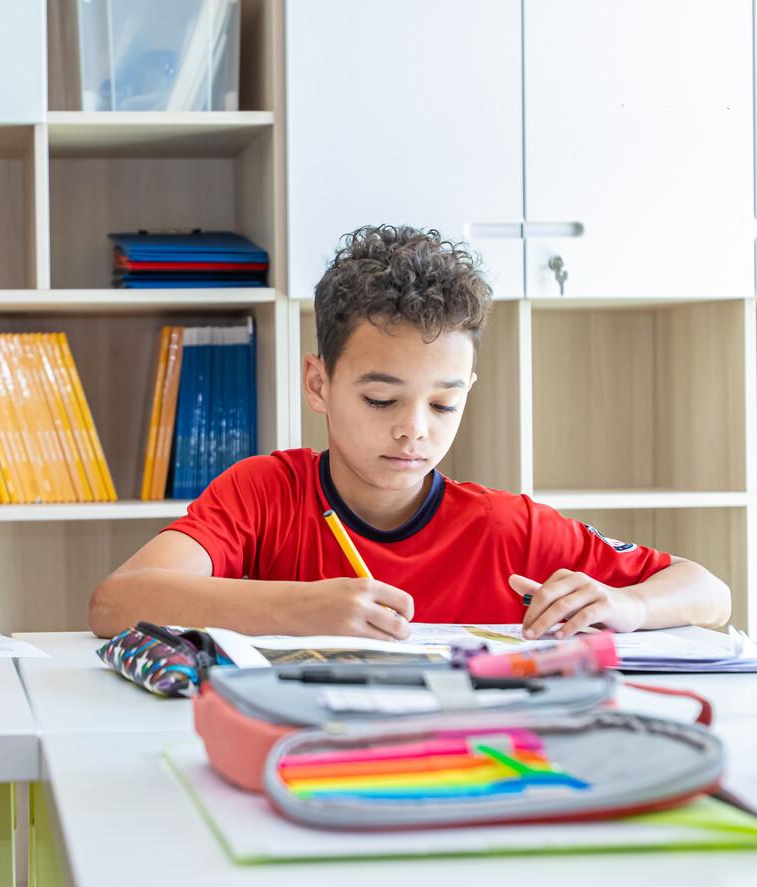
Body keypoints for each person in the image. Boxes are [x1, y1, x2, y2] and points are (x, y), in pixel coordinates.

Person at [90, 225, 729, 642]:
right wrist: (299, 610)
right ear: (318, 385)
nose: (413, 431)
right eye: (380, 398)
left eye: (444, 405)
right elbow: (117, 603)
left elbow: (709, 590)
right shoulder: (263, 494)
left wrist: (630, 609)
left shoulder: (506, 529)